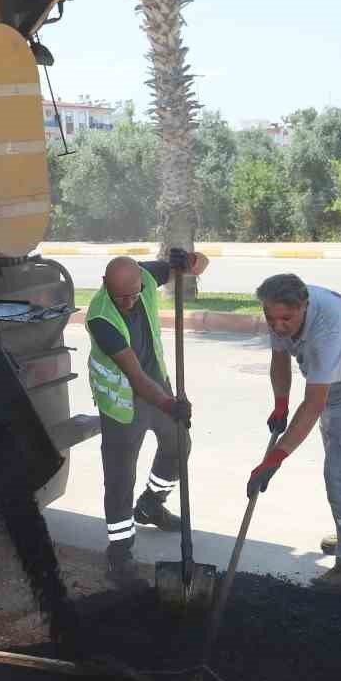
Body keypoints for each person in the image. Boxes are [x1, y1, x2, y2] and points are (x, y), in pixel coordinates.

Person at [245, 272, 341, 593]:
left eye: (286, 318)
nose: (277, 325)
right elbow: (279, 358)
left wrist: (275, 459)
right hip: (333, 385)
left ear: (304, 306)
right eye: (271, 318)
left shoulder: (327, 330)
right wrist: (280, 403)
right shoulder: (281, 309)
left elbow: (312, 406)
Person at [85, 248, 208, 579]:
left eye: (133, 294)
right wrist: (171, 405)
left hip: (158, 386)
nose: (127, 303)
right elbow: (136, 378)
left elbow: (201, 265)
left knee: (179, 444)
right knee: (121, 474)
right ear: (104, 285)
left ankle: (152, 503)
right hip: (124, 399)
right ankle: (120, 551)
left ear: (141, 280)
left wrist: (191, 261)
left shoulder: (149, 276)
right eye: (119, 296)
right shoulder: (100, 318)